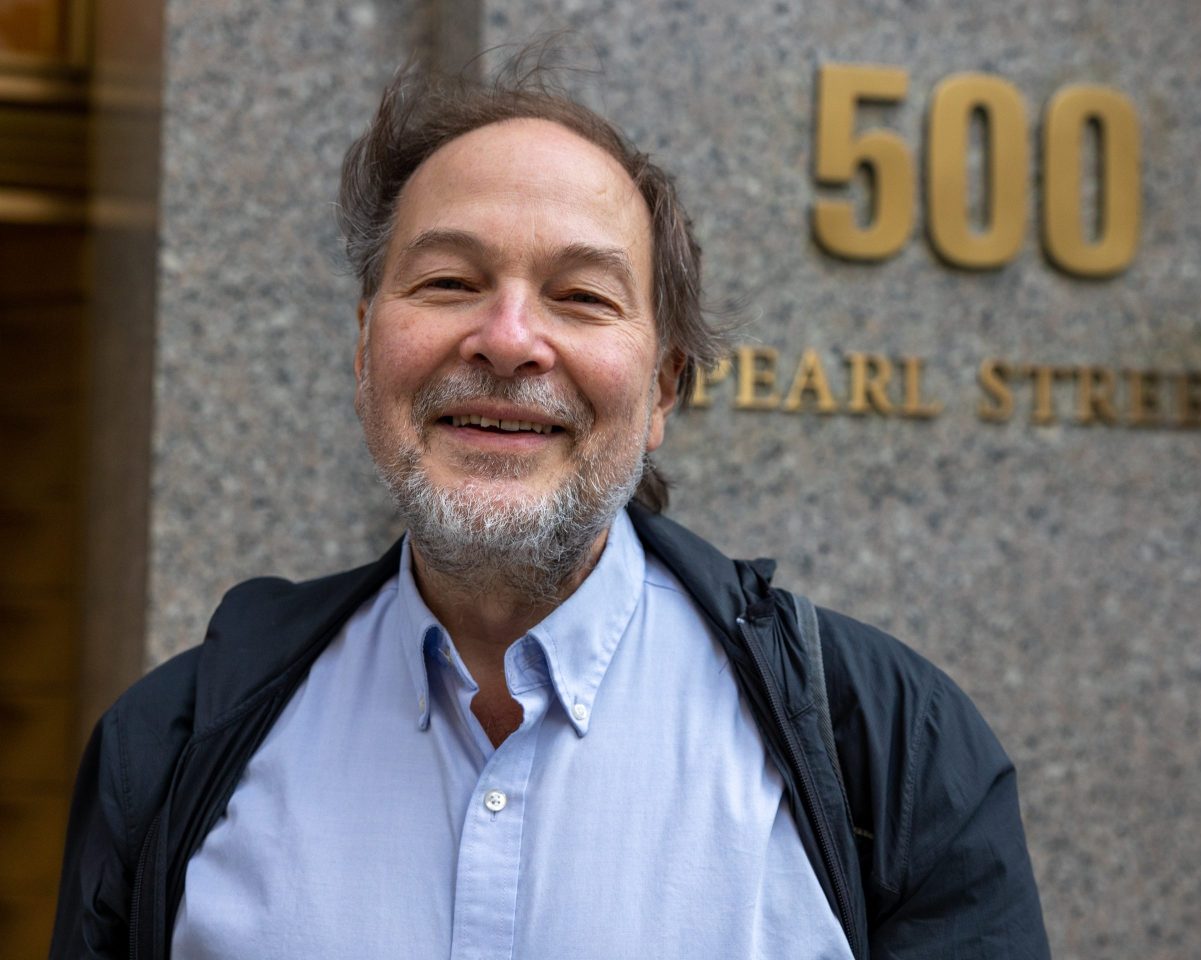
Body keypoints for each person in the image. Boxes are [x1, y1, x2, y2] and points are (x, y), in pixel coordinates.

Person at [51, 61, 1051, 960]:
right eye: (449, 281)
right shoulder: (171, 748)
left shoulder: (891, 753)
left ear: (662, 389)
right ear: (364, 351)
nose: (507, 338)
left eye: (580, 296)